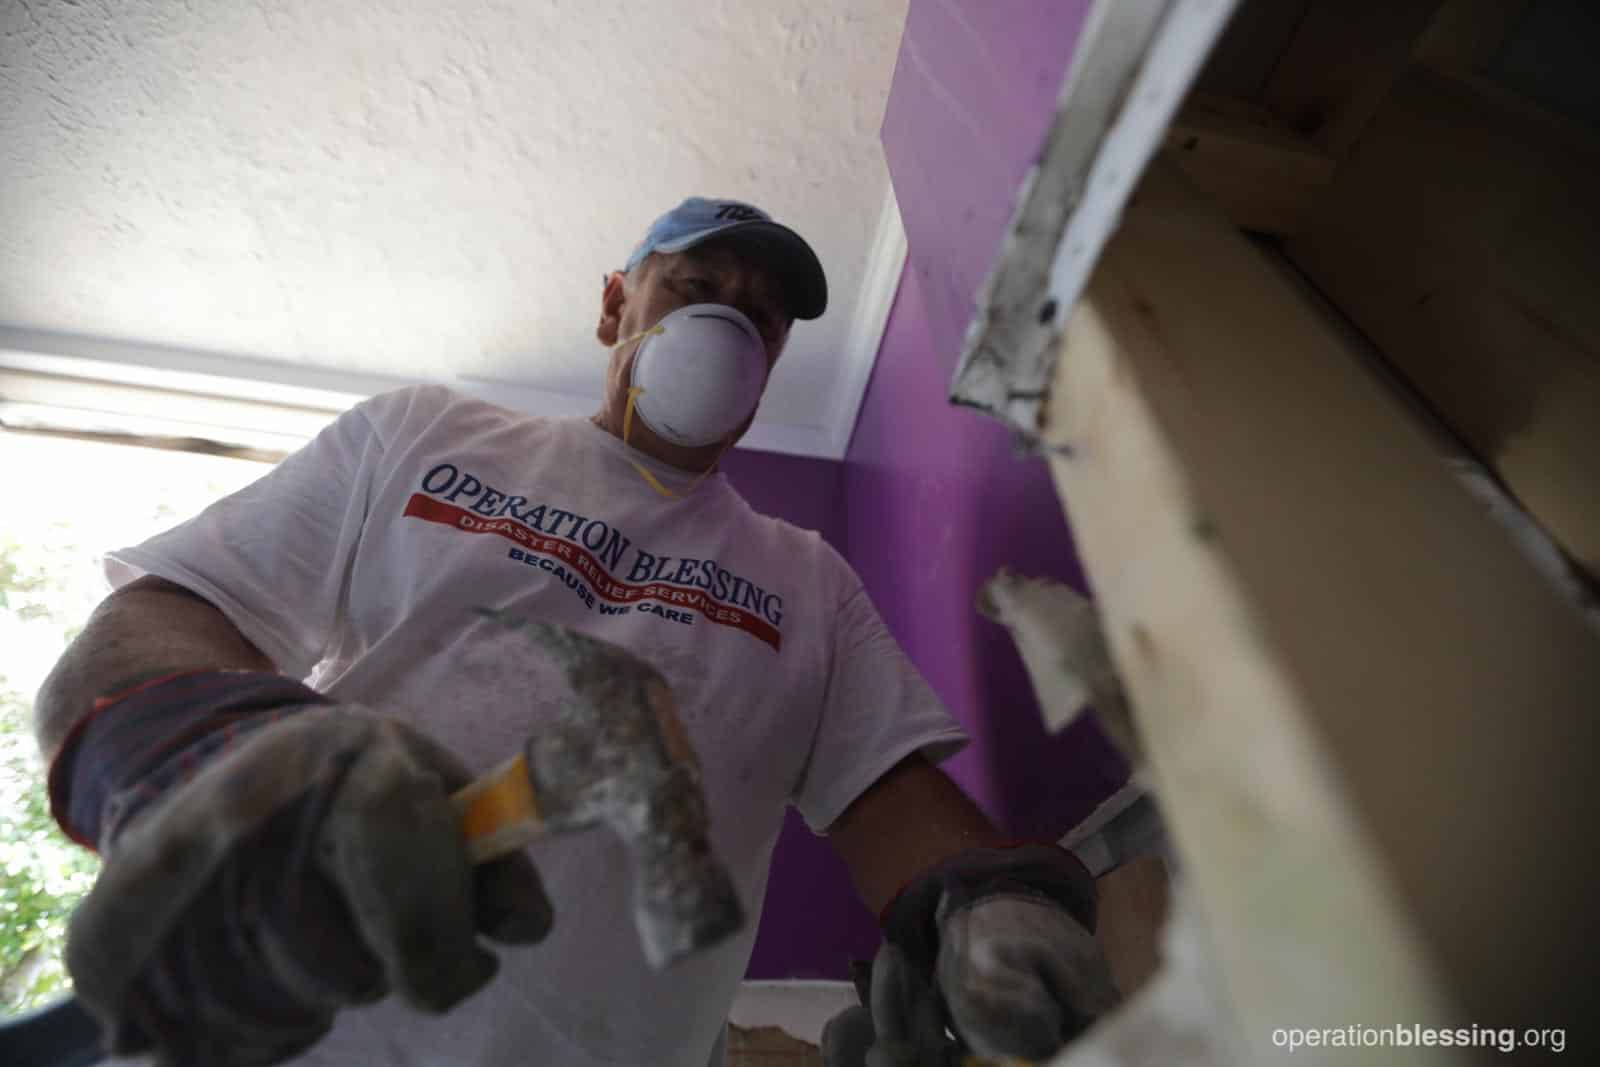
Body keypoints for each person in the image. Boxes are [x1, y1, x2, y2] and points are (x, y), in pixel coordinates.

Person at [34, 198, 1116, 1067]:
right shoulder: (423, 434)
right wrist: (210, 750)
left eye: (765, 316)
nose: (729, 325)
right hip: (289, 1024)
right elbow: (164, 610)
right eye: (696, 286)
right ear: (615, 304)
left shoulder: (806, 580)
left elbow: (890, 800)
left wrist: (993, 901)